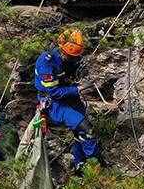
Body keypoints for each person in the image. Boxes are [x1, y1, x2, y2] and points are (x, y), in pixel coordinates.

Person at [34, 29, 100, 172]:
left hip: (69, 96)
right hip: (54, 103)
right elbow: (53, 92)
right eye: (70, 56)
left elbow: (73, 69)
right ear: (62, 50)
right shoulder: (47, 62)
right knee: (87, 130)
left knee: (80, 133)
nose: (72, 59)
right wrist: (78, 89)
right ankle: (95, 167)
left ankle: (80, 164)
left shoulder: (70, 58)